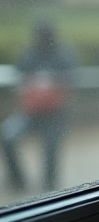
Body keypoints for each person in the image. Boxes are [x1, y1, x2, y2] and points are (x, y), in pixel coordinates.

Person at [2, 18, 77, 192]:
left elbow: (71, 76)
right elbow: (19, 76)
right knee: (7, 136)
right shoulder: (27, 52)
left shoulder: (63, 53)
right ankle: (17, 180)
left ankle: (49, 187)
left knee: (51, 148)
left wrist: (52, 83)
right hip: (30, 111)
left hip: (55, 112)